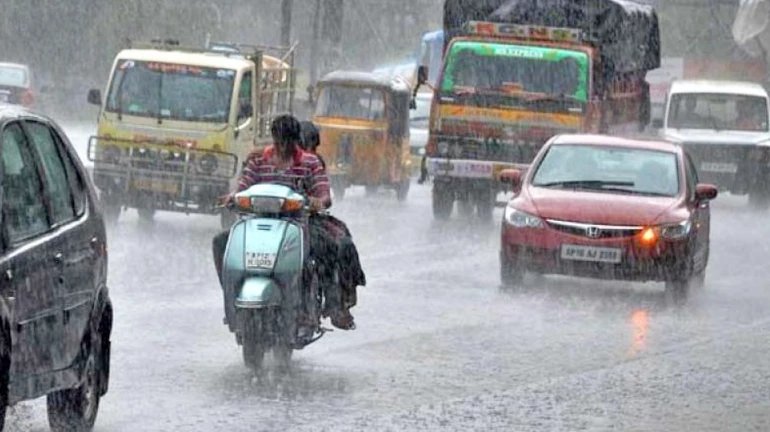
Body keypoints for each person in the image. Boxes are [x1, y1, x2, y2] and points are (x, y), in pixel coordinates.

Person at [212, 115, 356, 330]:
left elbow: (323, 193)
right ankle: (232, 297)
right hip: (257, 223)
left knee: (311, 257)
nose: (283, 147)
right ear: (274, 138)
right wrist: (232, 197)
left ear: (295, 140)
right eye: (279, 141)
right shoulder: (259, 160)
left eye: (288, 141)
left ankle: (314, 308)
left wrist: (318, 201)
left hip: (296, 224)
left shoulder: (309, 163)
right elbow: (244, 186)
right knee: (220, 242)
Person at [299, 120, 367, 319]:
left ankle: (337, 301)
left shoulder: (313, 163)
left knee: (339, 242)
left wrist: (315, 202)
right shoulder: (271, 160)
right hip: (281, 220)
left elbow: (323, 194)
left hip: (307, 219)